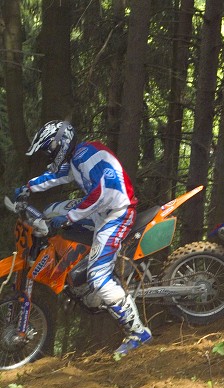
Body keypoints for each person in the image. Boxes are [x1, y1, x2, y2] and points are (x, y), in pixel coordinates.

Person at [14, 120, 152, 356]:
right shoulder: (77, 157)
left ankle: (138, 332)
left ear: (60, 144)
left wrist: (70, 217)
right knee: (50, 211)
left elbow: (102, 193)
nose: (49, 154)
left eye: (49, 149)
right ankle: (77, 261)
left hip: (118, 213)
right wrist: (28, 187)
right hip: (102, 210)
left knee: (98, 276)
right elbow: (56, 176)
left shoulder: (87, 156)